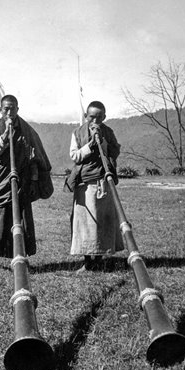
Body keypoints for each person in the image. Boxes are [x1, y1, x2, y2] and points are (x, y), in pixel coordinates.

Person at [0, 95, 53, 273]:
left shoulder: (27, 130)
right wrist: (5, 136)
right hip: (0, 182)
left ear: (18, 109)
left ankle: (21, 257)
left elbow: (35, 157)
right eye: (6, 109)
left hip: (21, 182)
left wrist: (34, 180)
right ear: (0, 110)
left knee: (20, 219)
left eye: (13, 109)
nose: (9, 112)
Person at [66, 101, 124, 273]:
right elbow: (75, 156)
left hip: (103, 183)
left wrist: (102, 143)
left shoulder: (108, 132)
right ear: (86, 116)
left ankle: (99, 259)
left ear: (104, 117)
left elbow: (114, 152)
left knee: (101, 222)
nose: (95, 120)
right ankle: (87, 261)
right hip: (84, 184)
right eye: (92, 117)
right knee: (84, 224)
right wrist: (89, 146)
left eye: (99, 117)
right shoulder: (77, 133)